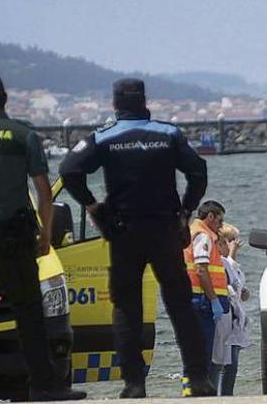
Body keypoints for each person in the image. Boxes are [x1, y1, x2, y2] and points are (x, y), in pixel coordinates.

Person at [58, 78, 215, 398]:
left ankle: (133, 384)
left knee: (126, 308)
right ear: (145, 102)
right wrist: (186, 210)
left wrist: (92, 206)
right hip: (165, 229)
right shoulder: (168, 134)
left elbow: (69, 170)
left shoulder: (104, 137)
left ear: (115, 105)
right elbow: (198, 171)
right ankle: (198, 379)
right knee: (180, 305)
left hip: (123, 231)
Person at [0, 76, 86, 404]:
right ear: (5, 98)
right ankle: (44, 386)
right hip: (13, 234)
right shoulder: (22, 134)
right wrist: (44, 232)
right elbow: (42, 190)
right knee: (28, 311)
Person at [184, 200, 229, 375]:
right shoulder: (203, 236)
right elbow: (202, 269)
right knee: (201, 354)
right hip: (203, 301)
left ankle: (191, 394)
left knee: (195, 354)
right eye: (219, 220)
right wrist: (214, 300)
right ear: (210, 217)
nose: (221, 225)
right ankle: (197, 397)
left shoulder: (192, 232)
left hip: (198, 300)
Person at [209, 224, 250, 395]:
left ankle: (227, 396)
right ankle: (214, 396)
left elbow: (238, 288)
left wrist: (244, 292)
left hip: (235, 322)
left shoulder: (230, 265)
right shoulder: (220, 263)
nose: (234, 245)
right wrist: (232, 251)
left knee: (231, 365)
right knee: (220, 363)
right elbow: (226, 284)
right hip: (224, 321)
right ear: (220, 244)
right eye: (230, 242)